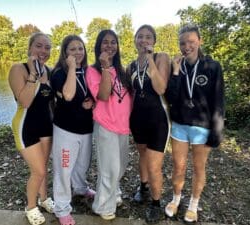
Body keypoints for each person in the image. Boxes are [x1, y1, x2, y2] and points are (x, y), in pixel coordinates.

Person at [164, 24, 224, 222]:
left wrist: (217, 131)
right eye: (182, 42)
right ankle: (176, 199)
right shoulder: (177, 65)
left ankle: (194, 205)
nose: (186, 46)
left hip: (202, 128)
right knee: (178, 167)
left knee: (199, 168)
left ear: (200, 41)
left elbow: (218, 100)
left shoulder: (212, 67)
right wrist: (174, 72)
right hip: (180, 125)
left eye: (191, 41)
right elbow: (170, 97)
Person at [86, 29, 133, 220]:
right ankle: (103, 205)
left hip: (123, 125)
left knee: (121, 166)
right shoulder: (93, 70)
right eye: (105, 42)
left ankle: (114, 192)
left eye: (113, 42)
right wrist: (105, 68)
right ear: (98, 46)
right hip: (106, 124)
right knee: (109, 167)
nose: (109, 46)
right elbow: (104, 95)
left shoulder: (122, 70)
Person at [8, 32, 54, 225]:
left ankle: (44, 199)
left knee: (44, 168)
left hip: (46, 126)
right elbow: (25, 101)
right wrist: (34, 73)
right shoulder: (19, 69)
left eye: (47, 47)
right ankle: (31, 207)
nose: (43, 50)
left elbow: (52, 101)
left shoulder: (49, 71)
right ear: (30, 48)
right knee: (38, 171)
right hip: (25, 127)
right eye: (39, 46)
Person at [126, 24, 171, 224]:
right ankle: (143, 187)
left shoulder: (161, 58)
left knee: (154, 165)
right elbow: (129, 94)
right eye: (140, 36)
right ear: (135, 40)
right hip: (138, 118)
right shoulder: (131, 65)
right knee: (142, 155)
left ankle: (156, 203)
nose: (144, 40)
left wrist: (151, 60)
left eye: (148, 37)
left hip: (158, 119)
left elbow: (160, 88)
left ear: (153, 41)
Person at [50, 35, 95, 225]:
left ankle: (80, 188)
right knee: (64, 169)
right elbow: (68, 94)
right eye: (72, 49)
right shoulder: (59, 73)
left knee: (82, 164)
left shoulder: (88, 71)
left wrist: (92, 102)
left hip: (86, 128)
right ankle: (61, 208)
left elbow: (93, 93)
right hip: (66, 130)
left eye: (80, 49)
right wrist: (71, 68)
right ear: (65, 53)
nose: (77, 53)